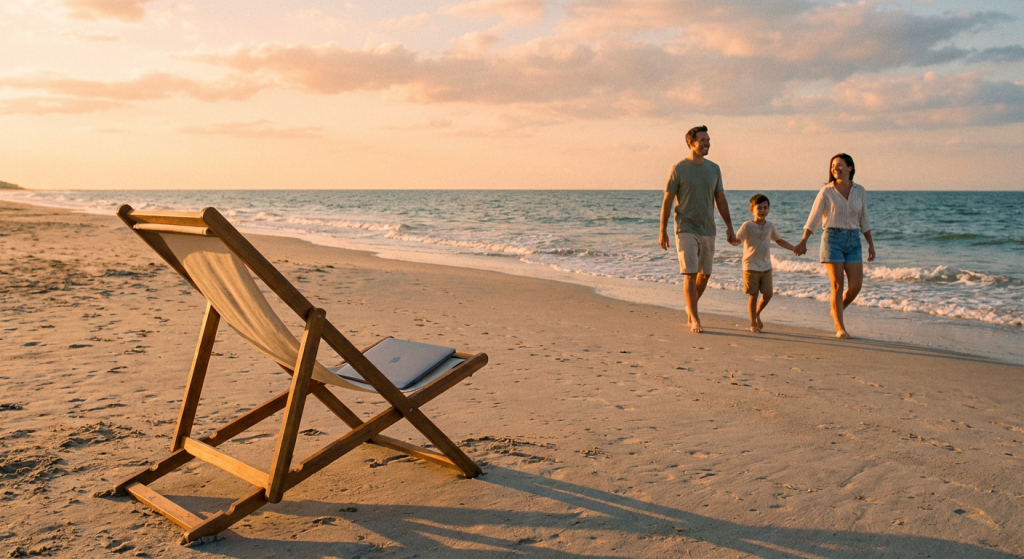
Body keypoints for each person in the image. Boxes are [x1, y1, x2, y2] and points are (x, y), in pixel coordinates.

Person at [658, 125, 737, 333]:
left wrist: (729, 226)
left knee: (705, 275)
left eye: (708, 140)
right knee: (690, 274)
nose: (707, 143)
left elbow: (720, 199)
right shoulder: (678, 169)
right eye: (702, 140)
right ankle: (695, 318)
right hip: (685, 228)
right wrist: (662, 230)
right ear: (691, 143)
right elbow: (667, 201)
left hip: (708, 229)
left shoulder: (714, 169)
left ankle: (689, 308)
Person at [793, 153, 876, 339]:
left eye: (839, 165)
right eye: (832, 166)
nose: (835, 169)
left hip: (854, 240)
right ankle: (840, 327)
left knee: (855, 286)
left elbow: (864, 218)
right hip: (832, 239)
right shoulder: (826, 191)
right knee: (838, 285)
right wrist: (804, 241)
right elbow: (814, 217)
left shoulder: (860, 190)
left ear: (850, 168)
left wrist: (870, 244)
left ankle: (835, 310)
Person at [730, 194, 797, 333]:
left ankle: (757, 313)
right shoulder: (747, 226)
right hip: (750, 266)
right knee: (753, 295)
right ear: (752, 210)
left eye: (765, 208)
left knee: (768, 294)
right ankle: (753, 323)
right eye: (759, 208)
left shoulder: (770, 226)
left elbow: (779, 240)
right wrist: (732, 241)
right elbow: (738, 240)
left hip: (766, 266)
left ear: (769, 209)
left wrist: (793, 248)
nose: (762, 210)